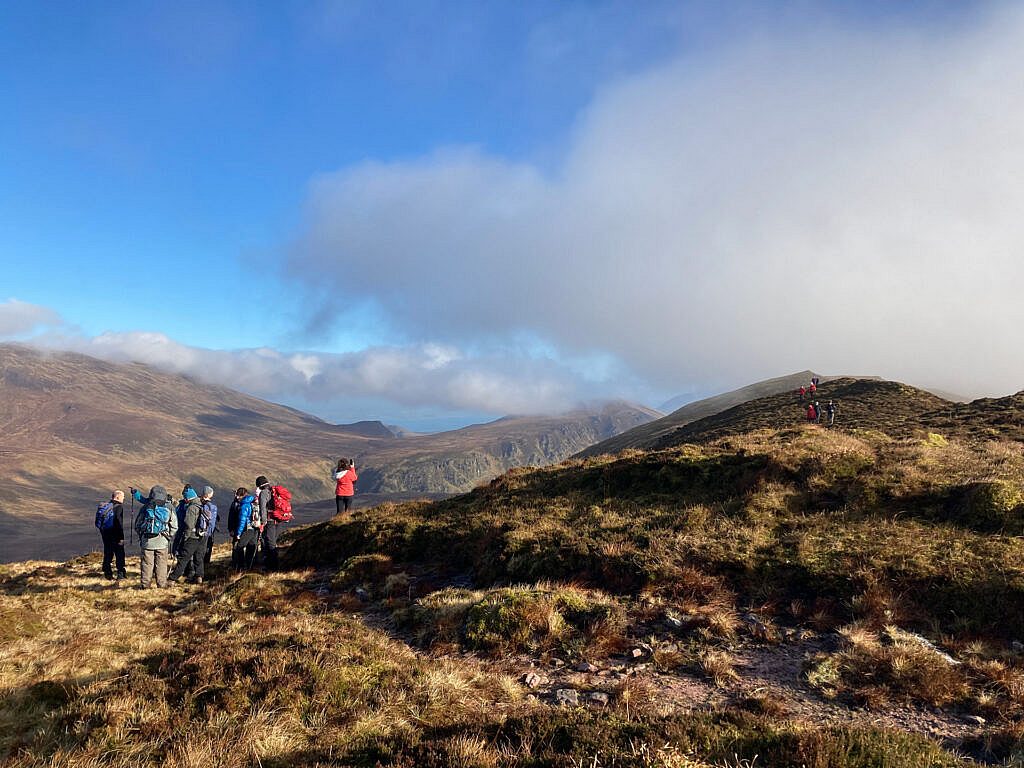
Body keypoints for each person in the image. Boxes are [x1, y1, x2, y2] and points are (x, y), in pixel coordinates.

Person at [132, 486, 177, 589]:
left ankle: (145, 585)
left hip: (147, 541)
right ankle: (161, 585)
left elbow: (137, 524)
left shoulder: (146, 506)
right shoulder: (169, 507)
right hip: (162, 541)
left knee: (147, 564)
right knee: (161, 564)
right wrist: (168, 536)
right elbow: (174, 526)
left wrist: (142, 535)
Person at [169, 487, 208, 584]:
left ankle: (172, 579)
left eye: (185, 497)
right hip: (202, 535)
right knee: (198, 557)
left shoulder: (191, 508)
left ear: (188, 498)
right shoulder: (201, 504)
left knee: (184, 558)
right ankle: (199, 577)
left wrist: (185, 538)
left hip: (192, 536)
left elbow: (189, 525)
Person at [96, 490, 127, 581]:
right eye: (123, 496)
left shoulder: (107, 506)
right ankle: (121, 574)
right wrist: (121, 537)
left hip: (105, 533)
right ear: (117, 497)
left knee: (108, 552)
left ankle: (107, 573)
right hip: (115, 534)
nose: (124, 498)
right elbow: (118, 522)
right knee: (119, 554)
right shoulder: (118, 507)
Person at [254, 476, 279, 569]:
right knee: (272, 541)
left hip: (269, 521)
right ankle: (272, 563)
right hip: (277, 519)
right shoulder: (273, 490)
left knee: (269, 542)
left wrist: (263, 522)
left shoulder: (264, 493)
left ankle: (272, 565)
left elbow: (263, 508)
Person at [232, 487, 260, 570]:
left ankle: (240, 567)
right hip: (255, 528)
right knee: (251, 548)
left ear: (240, 496)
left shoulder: (244, 506)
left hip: (247, 529)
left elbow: (242, 521)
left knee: (239, 547)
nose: (237, 497)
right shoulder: (252, 502)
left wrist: (238, 533)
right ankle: (249, 567)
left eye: (237, 495)